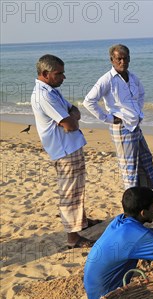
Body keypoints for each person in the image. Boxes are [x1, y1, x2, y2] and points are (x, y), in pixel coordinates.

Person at [83, 44, 153, 195]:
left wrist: (137, 112)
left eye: (125, 58)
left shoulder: (132, 77)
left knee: (146, 158)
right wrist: (108, 118)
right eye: (119, 59)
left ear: (129, 59)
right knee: (129, 166)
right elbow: (89, 101)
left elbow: (142, 94)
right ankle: (132, 198)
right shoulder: (107, 80)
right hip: (122, 127)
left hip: (135, 125)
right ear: (112, 60)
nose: (122, 62)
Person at [30, 54, 101, 249]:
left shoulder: (51, 91)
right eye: (59, 74)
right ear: (45, 74)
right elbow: (70, 123)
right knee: (70, 192)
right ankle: (73, 238)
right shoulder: (44, 95)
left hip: (69, 146)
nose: (63, 77)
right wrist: (72, 118)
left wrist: (72, 117)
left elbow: (74, 110)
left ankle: (81, 222)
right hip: (64, 150)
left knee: (77, 188)